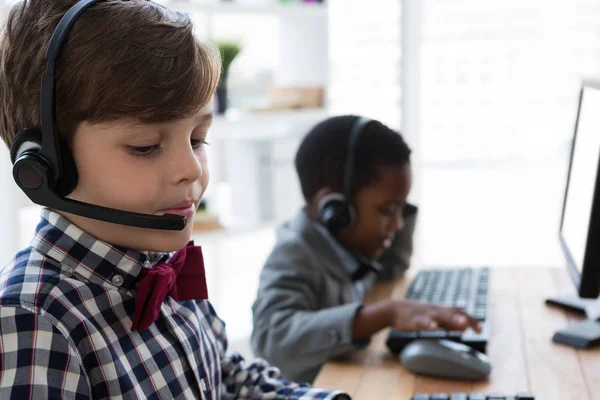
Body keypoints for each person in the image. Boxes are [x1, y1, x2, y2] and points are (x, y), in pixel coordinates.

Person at [0, 1, 349, 398]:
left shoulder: (163, 264)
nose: (192, 169)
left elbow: (225, 375)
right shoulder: (35, 322)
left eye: (198, 139)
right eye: (146, 146)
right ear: (45, 165)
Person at [251, 115, 481, 383]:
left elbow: (393, 266)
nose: (397, 224)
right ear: (335, 208)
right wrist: (386, 313)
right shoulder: (294, 253)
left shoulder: (348, 245)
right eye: (387, 210)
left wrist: (395, 208)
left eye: (401, 209)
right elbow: (271, 339)